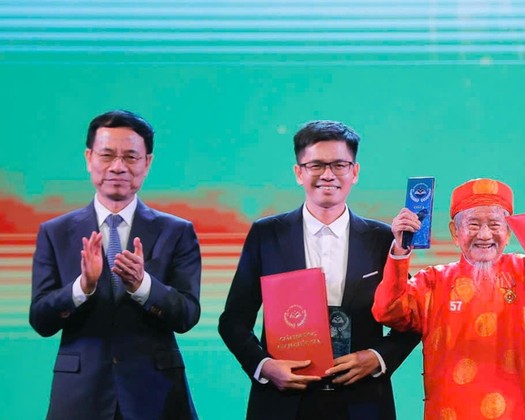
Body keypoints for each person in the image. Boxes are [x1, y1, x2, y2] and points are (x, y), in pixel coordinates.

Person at [218, 120, 419, 420]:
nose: (328, 175)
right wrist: (264, 366)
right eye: (315, 165)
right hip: (283, 400)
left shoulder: (383, 239)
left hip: (362, 400)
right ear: (298, 172)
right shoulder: (267, 234)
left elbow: (412, 317)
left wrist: (377, 358)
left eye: (339, 164)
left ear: (355, 172)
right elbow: (233, 320)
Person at [372, 178, 525, 419]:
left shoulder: (524, 271)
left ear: (508, 232)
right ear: (454, 232)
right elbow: (388, 311)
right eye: (473, 224)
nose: (484, 234)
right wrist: (400, 250)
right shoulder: (432, 281)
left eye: (494, 224)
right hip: (450, 411)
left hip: (519, 409)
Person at [29, 110, 202, 419]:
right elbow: (41, 320)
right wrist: (83, 287)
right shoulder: (55, 232)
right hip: (80, 396)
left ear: (147, 162)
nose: (118, 167)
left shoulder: (177, 231)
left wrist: (143, 286)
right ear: (89, 157)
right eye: (107, 155)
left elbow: (187, 315)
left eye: (131, 157)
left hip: (157, 395)